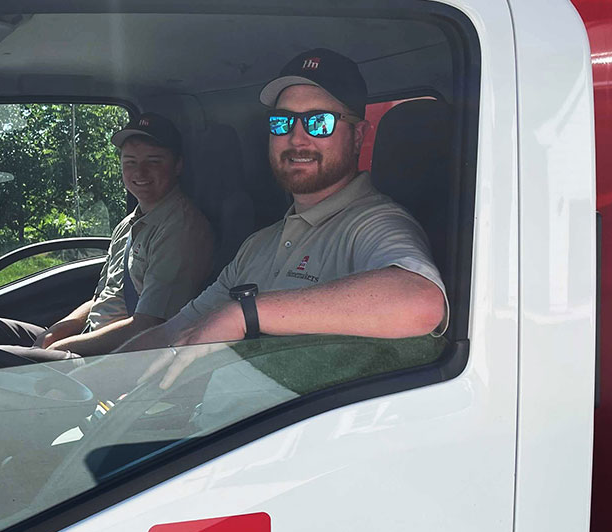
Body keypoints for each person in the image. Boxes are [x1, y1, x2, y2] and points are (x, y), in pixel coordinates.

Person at [118, 48, 449, 387]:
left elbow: (420, 301)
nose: (297, 137)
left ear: (358, 136)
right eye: (283, 121)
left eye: (320, 122)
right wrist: (106, 375)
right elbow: (176, 331)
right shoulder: (258, 244)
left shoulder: (374, 224)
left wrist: (245, 314)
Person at [0, 112, 214, 368]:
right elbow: (102, 296)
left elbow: (149, 326)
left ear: (177, 165)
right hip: (91, 339)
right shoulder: (129, 224)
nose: (140, 172)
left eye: (154, 161)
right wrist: (56, 331)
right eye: (130, 161)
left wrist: (60, 348)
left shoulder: (181, 228)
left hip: (118, 358)